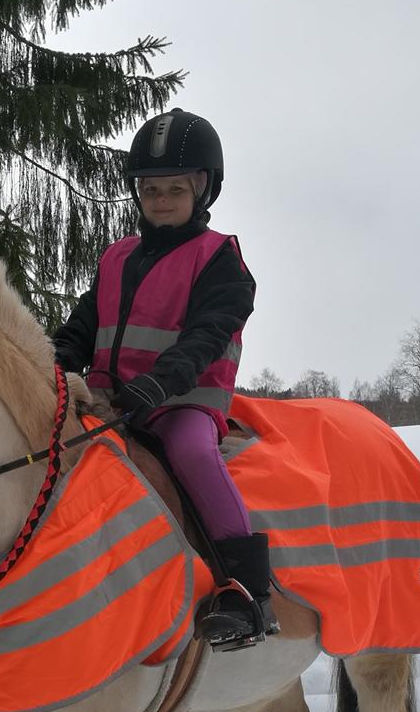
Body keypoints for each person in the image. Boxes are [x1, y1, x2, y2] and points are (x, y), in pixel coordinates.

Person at [53, 107, 274, 648]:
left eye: (175, 189)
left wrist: (160, 383)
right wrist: (52, 360)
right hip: (109, 400)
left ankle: (247, 593)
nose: (162, 201)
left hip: (182, 402)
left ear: (203, 191)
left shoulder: (220, 258)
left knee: (193, 454)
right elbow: (85, 323)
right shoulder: (115, 257)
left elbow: (208, 334)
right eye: (150, 190)